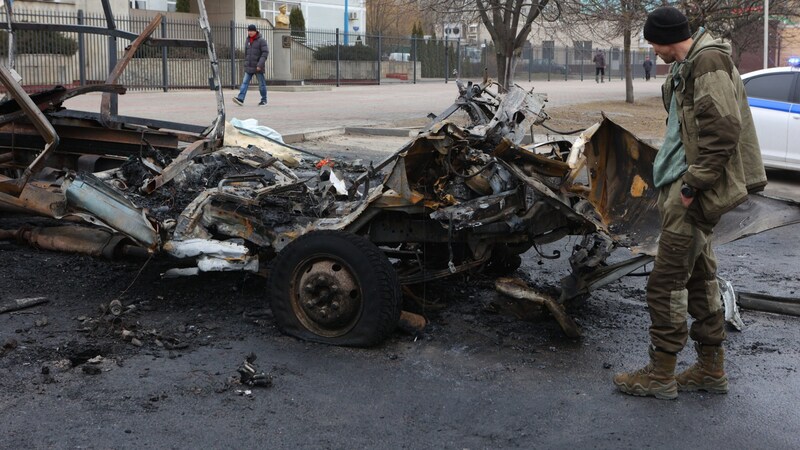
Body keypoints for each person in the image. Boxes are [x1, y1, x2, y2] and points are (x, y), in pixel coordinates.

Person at [613, 6, 767, 400]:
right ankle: (710, 370)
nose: (651, 49)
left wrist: (692, 185)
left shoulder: (708, 62)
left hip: (692, 193)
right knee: (700, 280)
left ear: (666, 37)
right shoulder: (691, 64)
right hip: (685, 188)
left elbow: (723, 129)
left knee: (664, 285)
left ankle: (660, 375)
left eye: (652, 41)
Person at [232, 24, 270, 106]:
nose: (250, 32)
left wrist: (260, 65)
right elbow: (246, 53)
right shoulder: (248, 40)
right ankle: (240, 99)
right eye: (249, 31)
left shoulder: (261, 41)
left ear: (255, 31)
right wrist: (246, 63)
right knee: (244, 82)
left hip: (258, 67)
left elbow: (265, 53)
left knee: (261, 84)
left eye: (251, 31)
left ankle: (264, 100)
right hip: (249, 66)